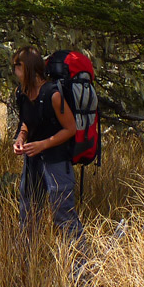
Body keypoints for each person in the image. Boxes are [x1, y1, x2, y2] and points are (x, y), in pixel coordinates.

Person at [12, 46, 85, 242]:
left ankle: (83, 264)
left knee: (64, 216)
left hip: (57, 162)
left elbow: (70, 129)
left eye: (16, 66)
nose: (14, 71)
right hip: (32, 162)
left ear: (27, 67)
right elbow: (26, 121)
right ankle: (28, 262)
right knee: (28, 214)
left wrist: (43, 145)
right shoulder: (22, 93)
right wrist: (20, 139)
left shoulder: (52, 94)